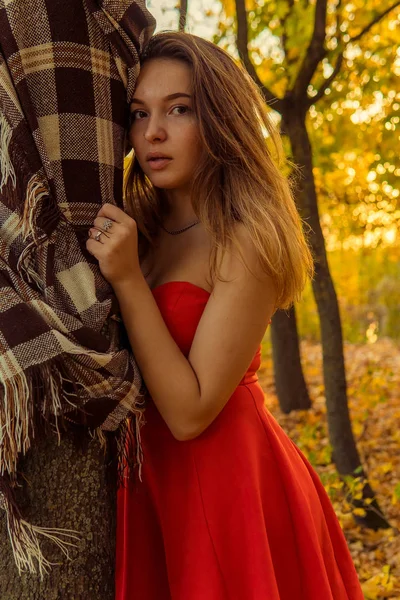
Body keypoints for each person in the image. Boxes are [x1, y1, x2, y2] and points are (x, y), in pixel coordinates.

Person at [86, 32, 364, 600]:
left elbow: (190, 414)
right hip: (147, 483)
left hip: (225, 484)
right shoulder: (138, 225)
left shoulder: (247, 237)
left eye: (179, 110)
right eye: (139, 113)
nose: (153, 133)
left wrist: (129, 280)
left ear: (219, 118)